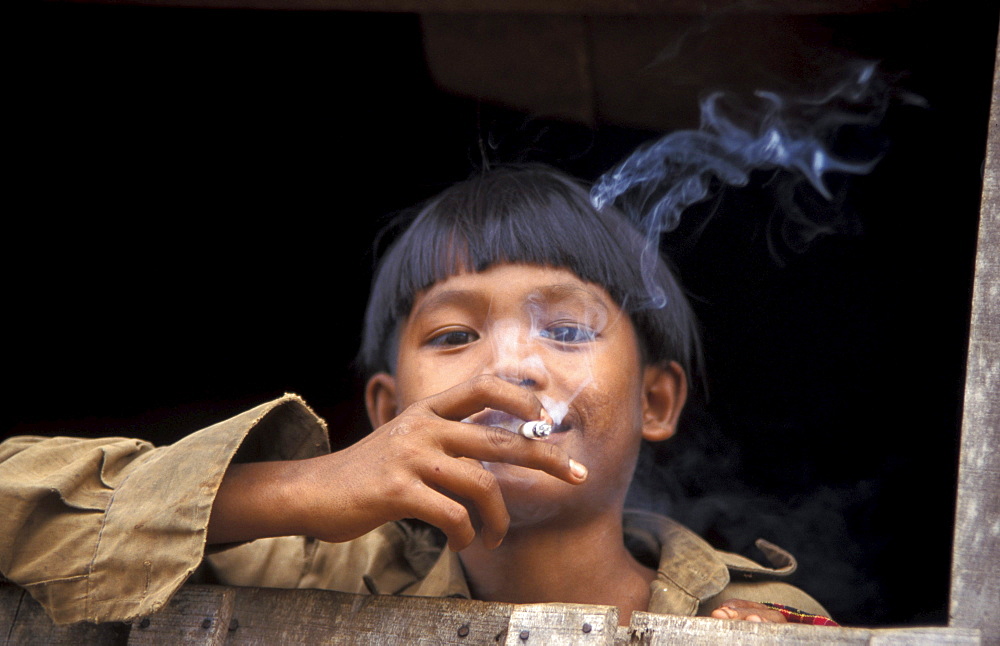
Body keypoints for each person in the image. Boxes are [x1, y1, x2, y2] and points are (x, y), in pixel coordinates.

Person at [0, 165, 835, 627]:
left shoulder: (759, 620)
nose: (507, 366)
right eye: (452, 336)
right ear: (386, 412)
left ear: (656, 401)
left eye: (569, 332)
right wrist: (293, 488)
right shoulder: (304, 573)